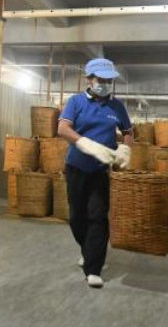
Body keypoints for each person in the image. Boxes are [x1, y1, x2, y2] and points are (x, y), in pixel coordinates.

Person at [57, 58, 133, 288]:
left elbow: (128, 131)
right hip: (77, 166)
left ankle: (94, 268)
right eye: (101, 79)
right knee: (77, 217)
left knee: (98, 216)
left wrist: (126, 148)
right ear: (89, 79)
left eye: (109, 80)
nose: (105, 83)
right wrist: (86, 144)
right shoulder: (77, 102)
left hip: (100, 170)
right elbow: (63, 128)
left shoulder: (117, 106)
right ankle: (88, 250)